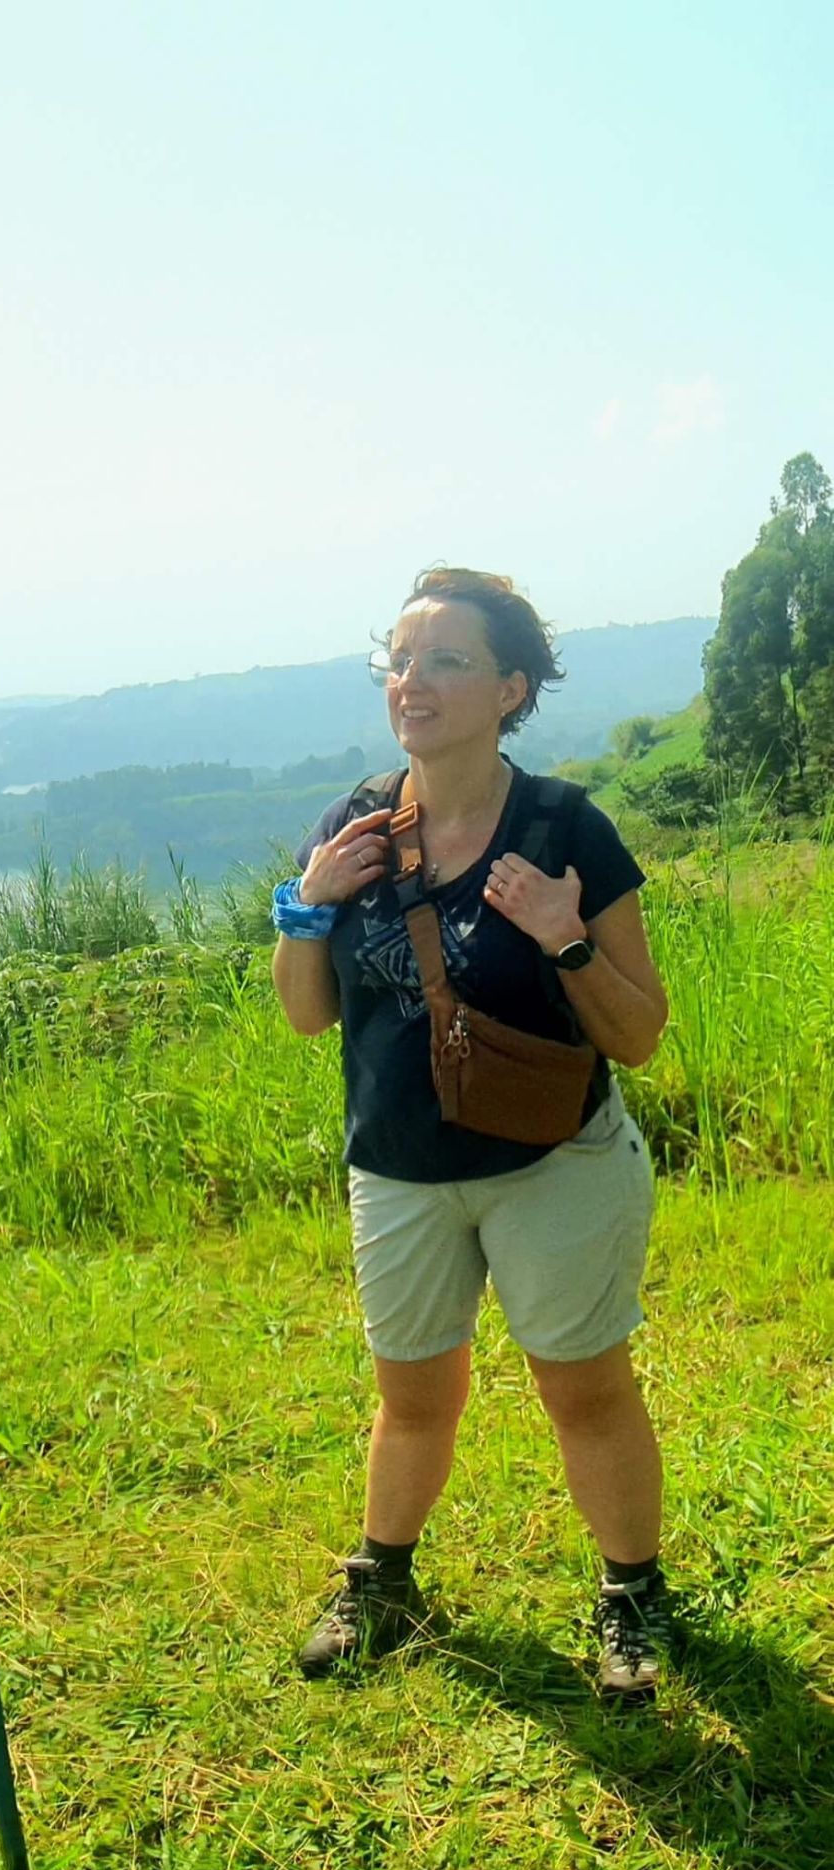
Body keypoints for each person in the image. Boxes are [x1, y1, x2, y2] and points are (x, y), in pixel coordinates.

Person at [271, 568, 671, 1699]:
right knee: (411, 1398)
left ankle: (631, 1594)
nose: (412, 681)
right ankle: (380, 1579)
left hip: (552, 1162)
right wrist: (307, 902)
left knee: (583, 1392)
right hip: (398, 1168)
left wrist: (562, 935)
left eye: (445, 660)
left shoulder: (564, 827)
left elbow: (637, 1033)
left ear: (509, 690)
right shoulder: (353, 825)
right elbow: (306, 1014)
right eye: (399, 659)